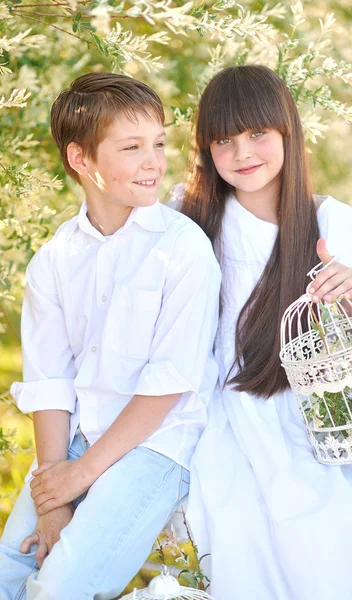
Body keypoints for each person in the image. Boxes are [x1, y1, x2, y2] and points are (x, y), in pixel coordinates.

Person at [172, 65, 352, 600]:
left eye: (258, 134)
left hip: (310, 409)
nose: (242, 152)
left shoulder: (333, 223)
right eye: (224, 139)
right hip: (223, 406)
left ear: (287, 135)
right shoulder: (189, 220)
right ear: (206, 148)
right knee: (243, 519)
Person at [0, 72, 221, 600]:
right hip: (74, 439)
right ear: (82, 160)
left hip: (155, 445)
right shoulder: (55, 259)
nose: (154, 162)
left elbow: (169, 384)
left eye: (159, 144)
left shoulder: (182, 249)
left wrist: (80, 479)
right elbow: (51, 381)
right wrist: (55, 492)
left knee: (58, 586)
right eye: (131, 147)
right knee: (10, 569)